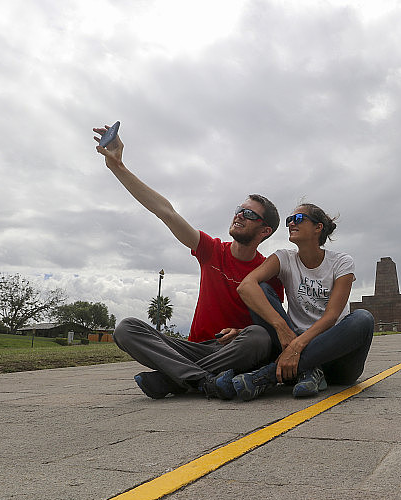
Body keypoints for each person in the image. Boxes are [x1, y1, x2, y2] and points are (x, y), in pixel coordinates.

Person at [93, 124, 284, 400]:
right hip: (190, 349)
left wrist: (240, 331)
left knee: (258, 338)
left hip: (230, 351)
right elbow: (166, 212)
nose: (239, 216)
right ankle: (203, 381)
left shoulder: (269, 273)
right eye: (239, 210)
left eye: (249, 214)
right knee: (126, 329)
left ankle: (175, 379)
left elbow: (271, 328)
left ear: (265, 231)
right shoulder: (211, 250)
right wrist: (118, 167)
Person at [232, 203, 374, 400]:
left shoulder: (341, 262)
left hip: (337, 359)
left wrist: (297, 346)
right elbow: (246, 286)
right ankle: (308, 371)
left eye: (298, 219)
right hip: (291, 348)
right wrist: (281, 327)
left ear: (318, 227)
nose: (291, 223)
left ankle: (266, 376)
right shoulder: (284, 258)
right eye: (289, 220)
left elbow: (331, 317)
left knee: (363, 319)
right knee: (261, 289)